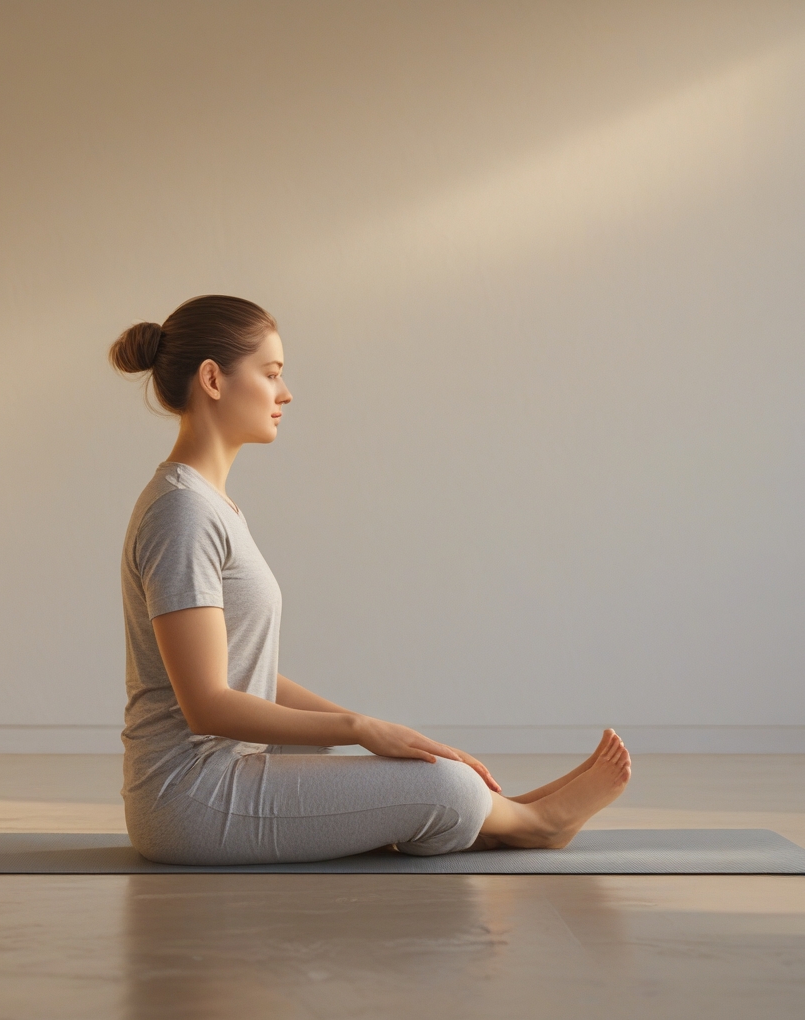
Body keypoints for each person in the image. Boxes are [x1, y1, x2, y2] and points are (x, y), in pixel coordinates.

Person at [110, 294, 631, 866]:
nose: (285, 394)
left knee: (432, 771)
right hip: (191, 800)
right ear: (213, 378)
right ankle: (536, 824)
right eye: (271, 373)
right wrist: (358, 727)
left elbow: (243, 669)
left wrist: (373, 728)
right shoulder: (182, 512)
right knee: (445, 788)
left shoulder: (209, 505)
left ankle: (509, 813)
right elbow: (208, 705)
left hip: (223, 779)